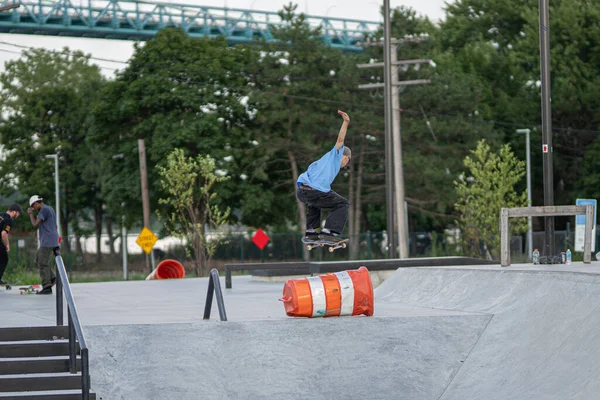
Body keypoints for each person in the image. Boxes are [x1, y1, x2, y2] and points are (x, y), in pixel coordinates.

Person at [296, 110, 352, 243]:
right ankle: (329, 231)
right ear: (345, 157)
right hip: (316, 191)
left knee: (314, 202)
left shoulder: (320, 161)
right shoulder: (336, 155)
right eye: (348, 160)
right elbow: (340, 139)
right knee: (343, 203)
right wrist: (345, 122)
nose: (346, 164)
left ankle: (310, 232)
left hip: (302, 191)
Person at [27, 195, 59, 295]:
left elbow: (35, 224)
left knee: (42, 262)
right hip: (52, 239)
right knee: (38, 259)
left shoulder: (43, 210)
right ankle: (53, 278)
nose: (34, 209)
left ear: (37, 203)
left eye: (34, 206)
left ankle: (46, 287)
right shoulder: (50, 208)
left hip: (47, 241)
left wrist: (30, 214)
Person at [0, 204, 23, 285]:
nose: (18, 215)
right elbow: (4, 234)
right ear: (14, 212)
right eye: (18, 213)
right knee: (4, 258)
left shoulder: (1, 214)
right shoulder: (8, 220)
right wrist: (7, 245)